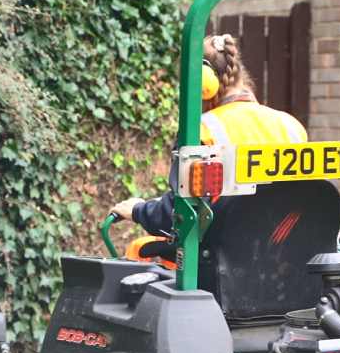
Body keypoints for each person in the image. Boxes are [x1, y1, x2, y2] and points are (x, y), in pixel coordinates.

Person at [111, 34, 308, 237]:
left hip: (221, 261)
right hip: (283, 258)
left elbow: (181, 214)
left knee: (138, 251)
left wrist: (138, 210)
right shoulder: (292, 127)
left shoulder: (203, 131)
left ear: (203, 86)